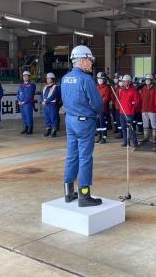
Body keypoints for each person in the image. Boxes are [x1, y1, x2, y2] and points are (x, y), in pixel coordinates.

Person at [61, 45, 103, 207]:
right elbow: (98, 103)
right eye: (90, 60)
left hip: (70, 120)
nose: (91, 63)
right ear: (83, 60)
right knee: (85, 156)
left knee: (72, 155)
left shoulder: (65, 78)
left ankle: (68, 191)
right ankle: (84, 195)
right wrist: (97, 113)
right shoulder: (86, 79)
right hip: (84, 121)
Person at [119, 74, 140, 148]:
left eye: (125, 81)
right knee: (123, 128)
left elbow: (137, 102)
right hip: (122, 112)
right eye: (123, 81)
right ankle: (125, 141)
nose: (124, 83)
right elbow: (120, 99)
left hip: (129, 113)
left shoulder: (133, 90)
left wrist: (132, 106)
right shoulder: (122, 90)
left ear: (129, 82)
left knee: (131, 128)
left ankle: (135, 142)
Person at [41, 72, 60, 137]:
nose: (47, 80)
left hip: (52, 105)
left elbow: (53, 95)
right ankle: (48, 130)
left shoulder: (56, 87)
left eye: (48, 78)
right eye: (47, 78)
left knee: (53, 117)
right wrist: (42, 101)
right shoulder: (45, 87)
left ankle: (54, 130)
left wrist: (46, 101)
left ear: (52, 79)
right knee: (47, 118)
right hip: (46, 105)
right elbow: (42, 95)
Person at [95, 72, 112, 144]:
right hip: (96, 109)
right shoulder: (96, 87)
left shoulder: (106, 88)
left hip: (102, 108)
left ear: (104, 79)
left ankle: (104, 137)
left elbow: (106, 98)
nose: (100, 80)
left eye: (101, 79)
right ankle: (99, 135)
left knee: (102, 123)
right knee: (97, 123)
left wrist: (99, 104)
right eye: (98, 78)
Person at [140, 73, 156, 143]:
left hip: (152, 109)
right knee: (145, 124)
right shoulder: (143, 89)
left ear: (152, 80)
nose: (147, 81)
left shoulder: (155, 89)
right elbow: (141, 98)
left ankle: (154, 138)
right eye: (146, 79)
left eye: (149, 79)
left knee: (154, 125)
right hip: (144, 109)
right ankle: (146, 137)